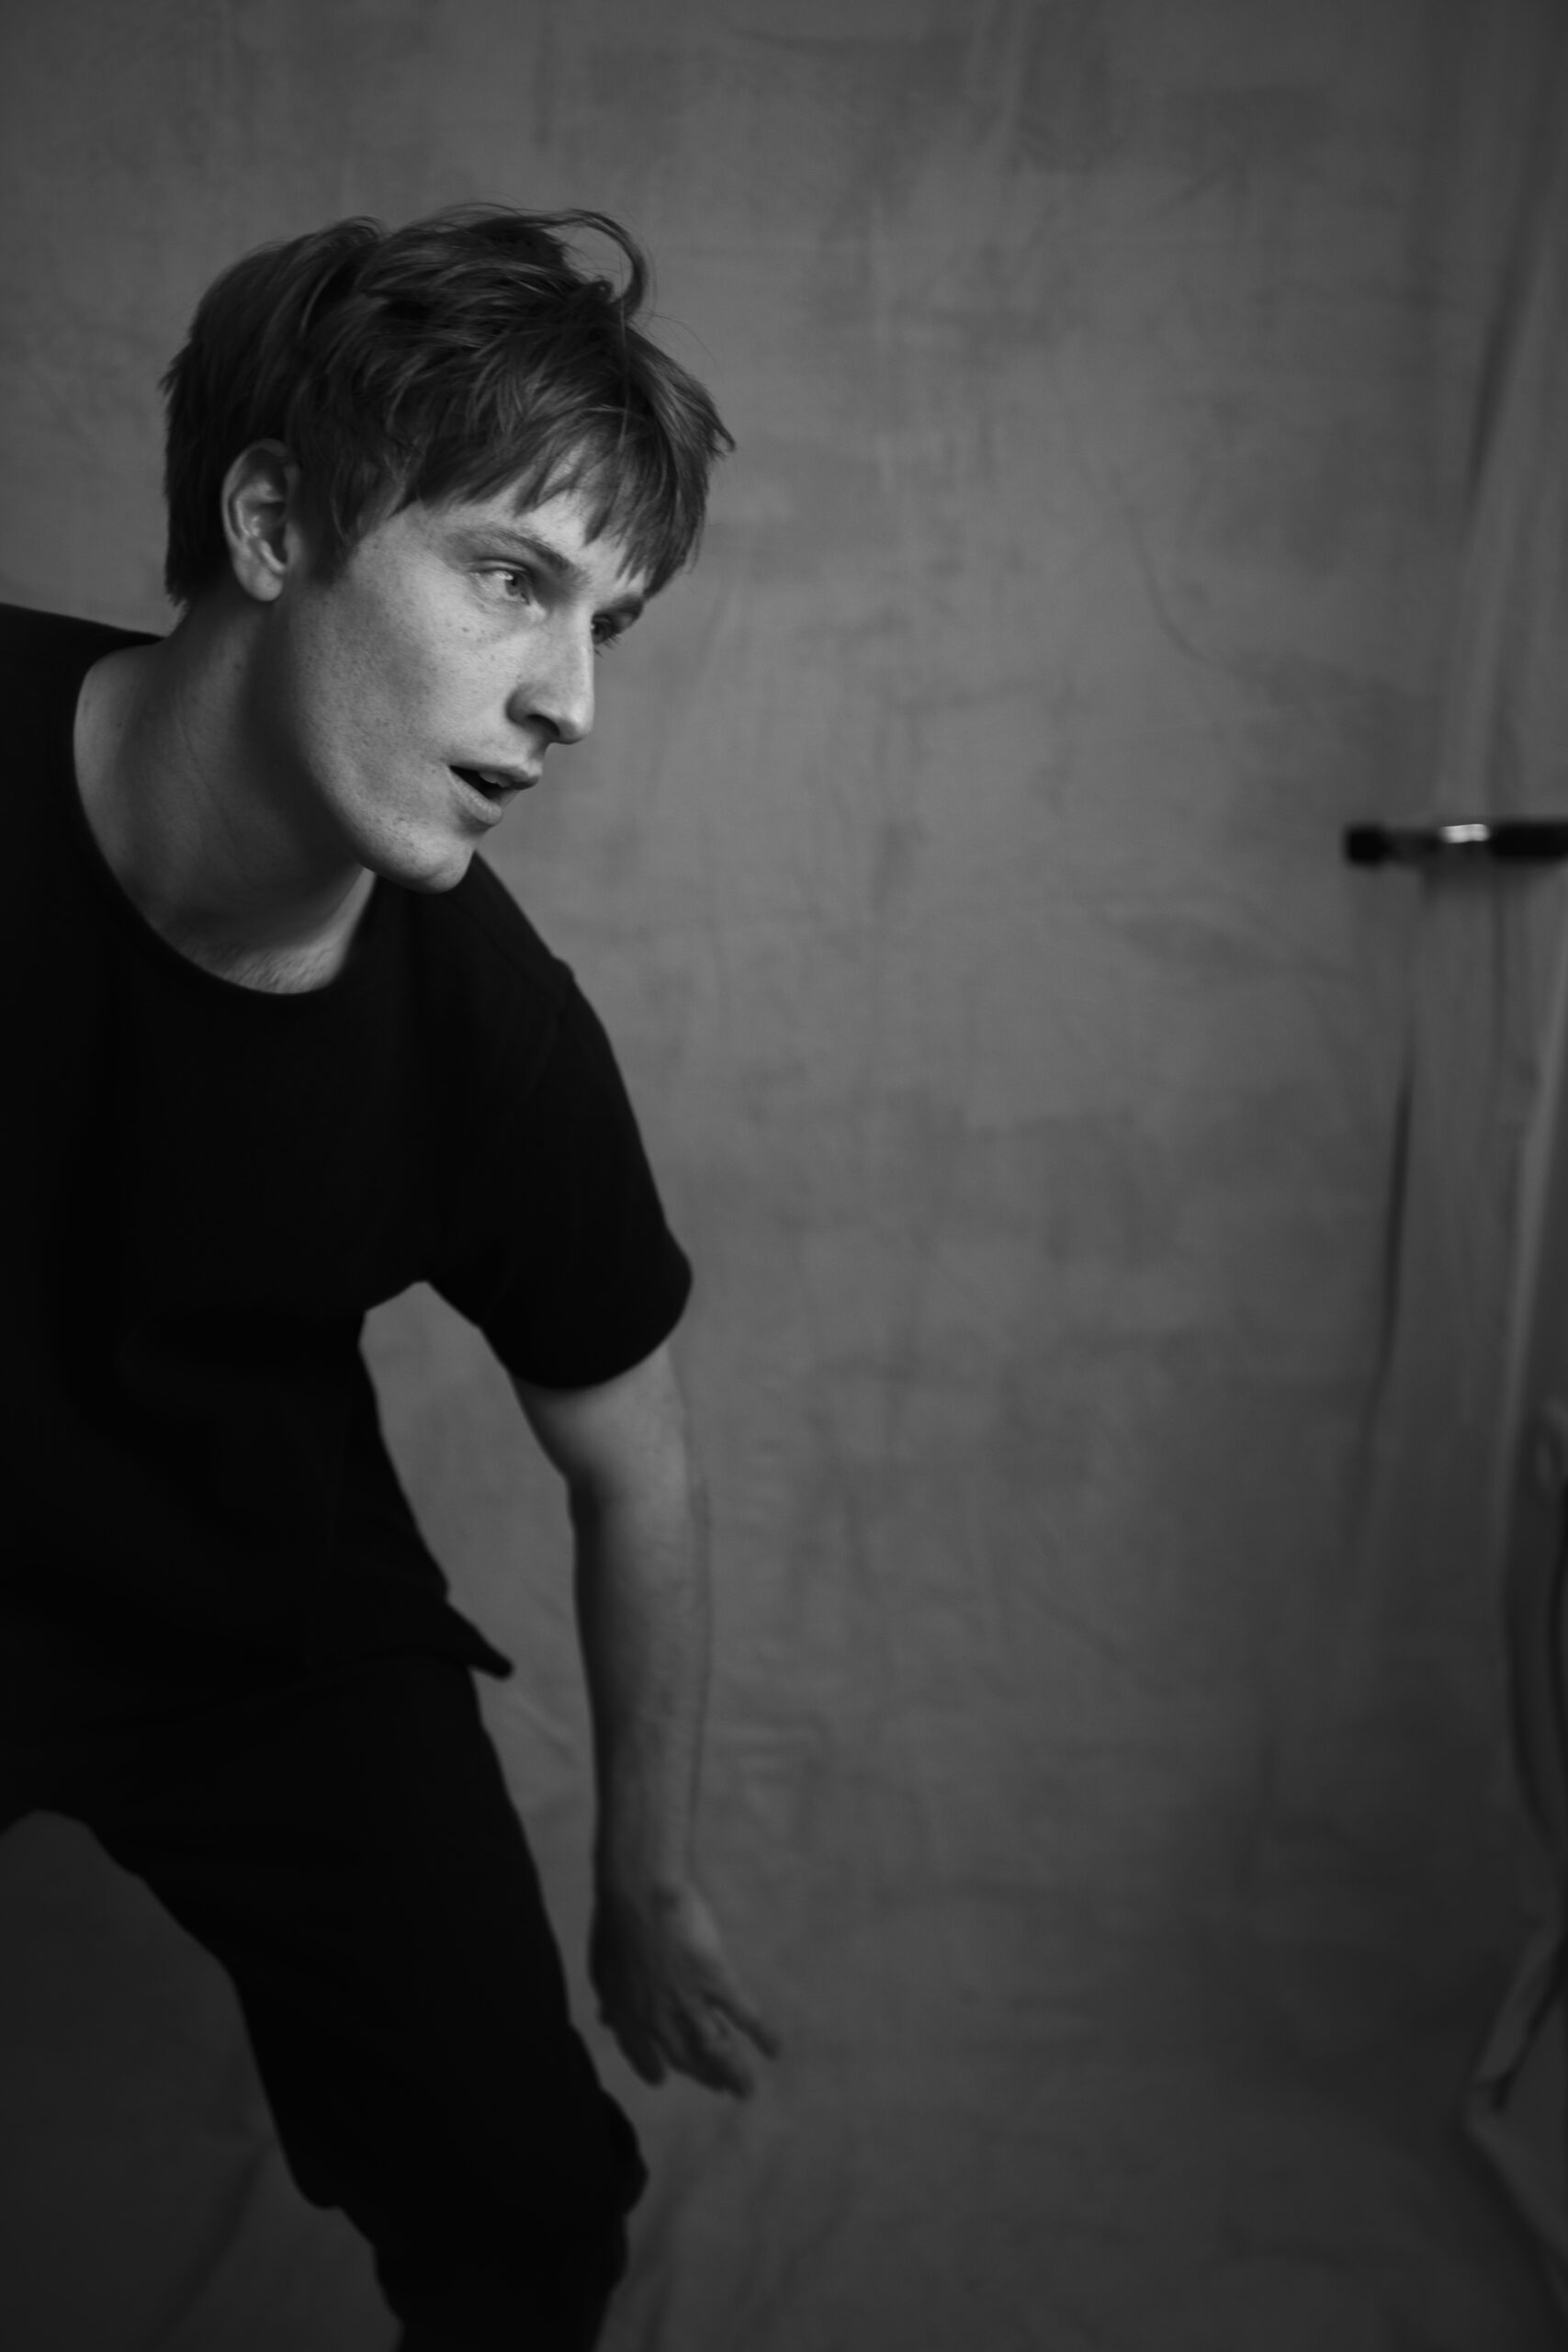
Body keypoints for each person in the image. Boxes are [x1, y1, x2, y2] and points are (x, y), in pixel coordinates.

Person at [0, 203, 778, 2352]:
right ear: (272, 525)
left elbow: (636, 1465)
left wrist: (643, 1876)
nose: (569, 703)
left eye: (609, 620)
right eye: (512, 577)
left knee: (528, 2195)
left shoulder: (491, 1041)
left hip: (254, 1614)